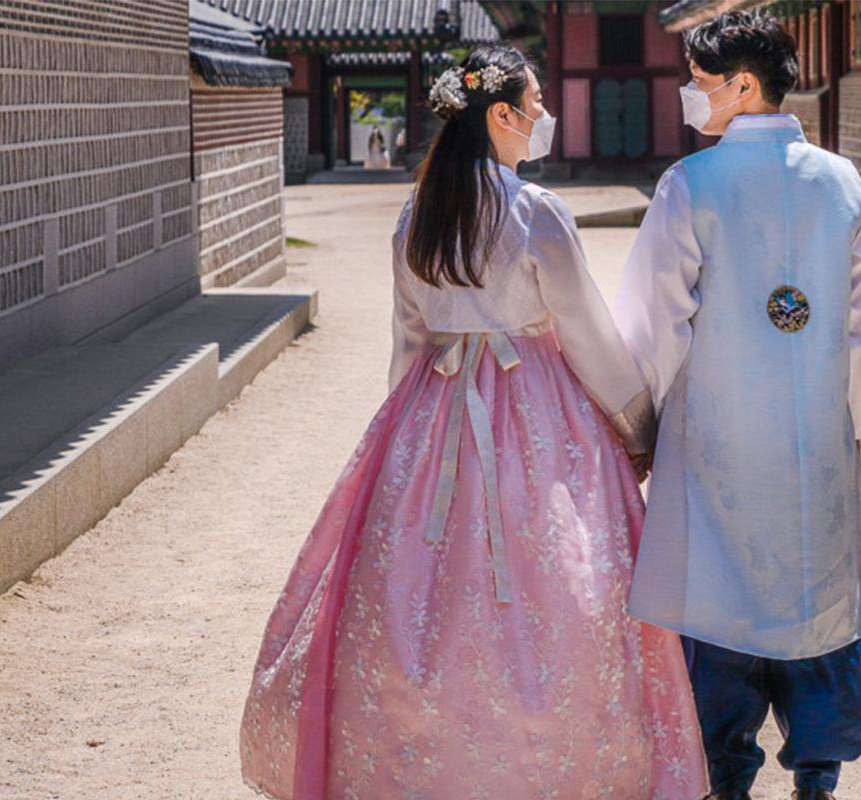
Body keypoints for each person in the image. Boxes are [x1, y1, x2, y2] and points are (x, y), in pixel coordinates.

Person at [239, 46, 707, 800]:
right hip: (536, 403)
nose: (543, 116)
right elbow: (584, 331)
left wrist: (399, 444)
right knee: (557, 578)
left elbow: (408, 340)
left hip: (434, 406)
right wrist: (635, 425)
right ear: (502, 115)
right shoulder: (533, 212)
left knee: (421, 587)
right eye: (535, 103)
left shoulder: (417, 213)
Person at [614, 12, 861, 800]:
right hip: (814, 437)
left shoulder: (692, 185)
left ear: (742, 85)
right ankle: (818, 771)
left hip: (716, 435)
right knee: (817, 596)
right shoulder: (841, 181)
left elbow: (654, 324)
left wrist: (639, 425)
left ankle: (726, 772)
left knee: (719, 597)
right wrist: (853, 424)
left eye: (699, 82)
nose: (690, 95)